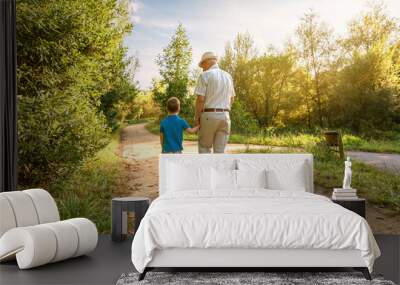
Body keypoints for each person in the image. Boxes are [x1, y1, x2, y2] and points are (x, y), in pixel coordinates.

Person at [194, 51, 235, 153]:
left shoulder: (204, 75)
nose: (202, 68)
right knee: (220, 152)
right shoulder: (228, 76)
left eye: (202, 65)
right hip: (225, 116)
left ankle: (206, 170)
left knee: (204, 148)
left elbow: (200, 99)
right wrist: (225, 111)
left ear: (207, 62)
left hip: (209, 116)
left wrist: (197, 118)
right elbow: (232, 98)